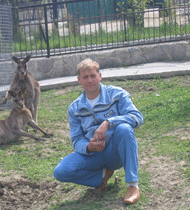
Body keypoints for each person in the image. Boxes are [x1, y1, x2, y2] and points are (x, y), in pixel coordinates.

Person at [53, 58, 143, 205]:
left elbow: (137, 118)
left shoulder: (117, 94)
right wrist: (88, 146)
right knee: (61, 171)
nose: (90, 80)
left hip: (116, 152)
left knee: (124, 128)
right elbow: (76, 140)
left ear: (100, 76)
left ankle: (132, 185)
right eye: (85, 77)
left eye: (93, 76)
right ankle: (101, 178)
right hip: (93, 155)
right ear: (79, 80)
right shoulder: (74, 108)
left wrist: (109, 122)